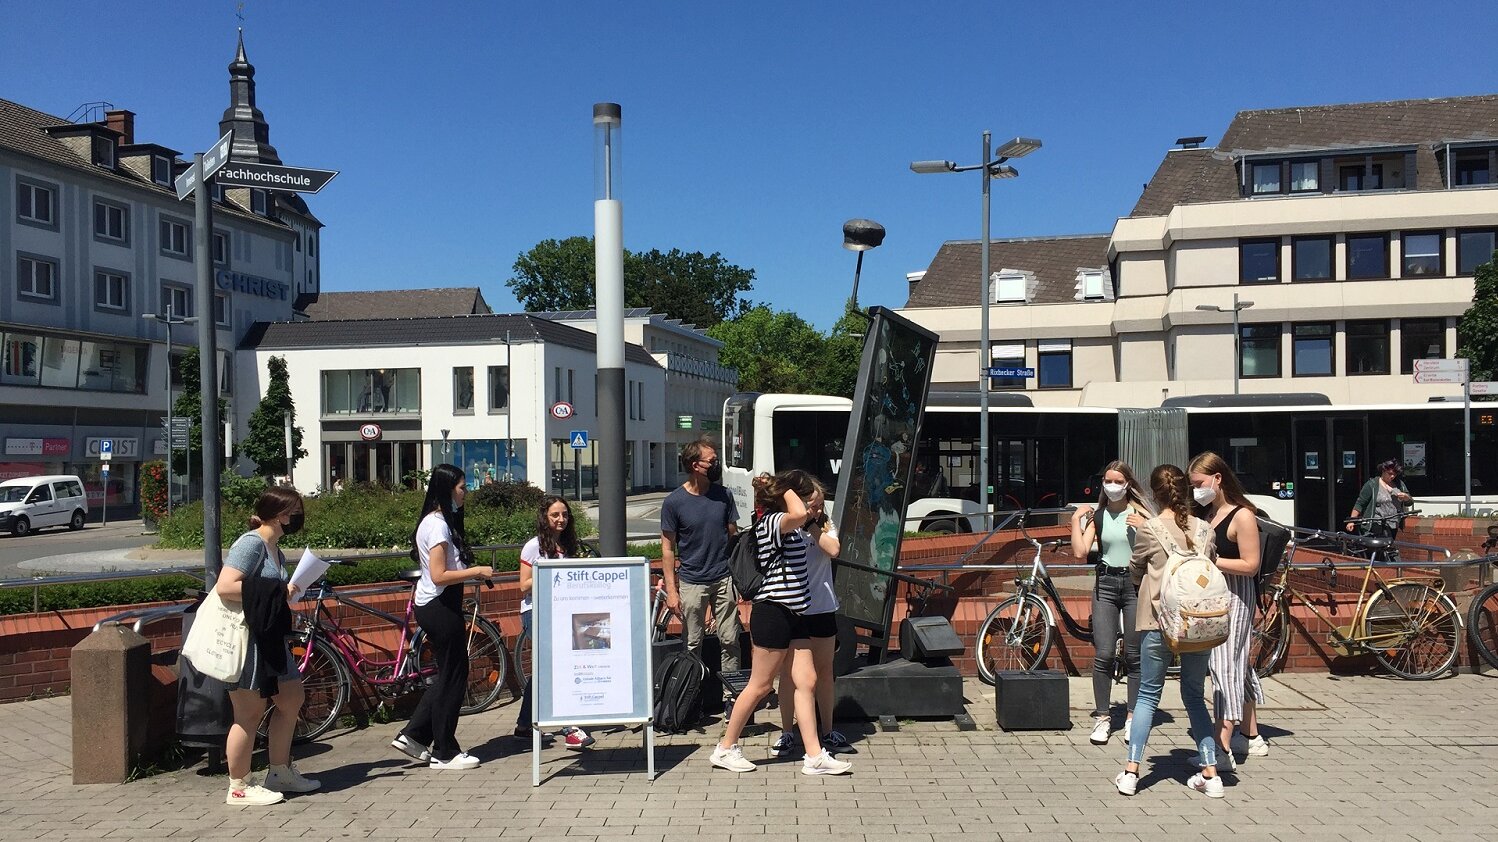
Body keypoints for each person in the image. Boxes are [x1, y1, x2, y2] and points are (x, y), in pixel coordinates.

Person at [709, 470, 851, 776]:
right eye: (807, 500)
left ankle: (814, 755)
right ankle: (725, 747)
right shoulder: (774, 523)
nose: (812, 508)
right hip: (772, 612)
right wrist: (785, 489)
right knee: (760, 686)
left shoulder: (798, 526)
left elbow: (822, 540)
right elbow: (798, 513)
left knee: (807, 680)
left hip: (795, 613)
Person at [1116, 464, 1222, 798]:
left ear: (1153, 492)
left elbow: (1135, 569)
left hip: (1157, 619)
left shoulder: (1149, 529)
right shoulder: (1205, 529)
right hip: (1198, 622)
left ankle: (1132, 772)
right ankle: (1211, 773)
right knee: (1194, 696)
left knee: (1148, 693)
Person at [217, 487, 319, 806]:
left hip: (270, 637)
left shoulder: (273, 548)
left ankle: (279, 772)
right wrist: (278, 590)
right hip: (250, 639)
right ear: (277, 514)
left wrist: (284, 591)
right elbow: (225, 586)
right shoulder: (251, 544)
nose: (293, 519)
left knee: (291, 697)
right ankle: (238, 786)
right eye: (290, 513)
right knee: (249, 711)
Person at [390, 464, 495, 770]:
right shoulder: (437, 525)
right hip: (439, 606)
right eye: (462, 487)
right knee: (454, 676)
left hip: (437, 605)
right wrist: (477, 571)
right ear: (448, 489)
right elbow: (438, 574)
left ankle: (414, 735)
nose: (466, 492)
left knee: (449, 674)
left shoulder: (436, 522)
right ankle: (445, 751)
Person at [1188, 451, 1268, 768]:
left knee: (1224, 667)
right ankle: (1251, 736)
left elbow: (1251, 565)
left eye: (1199, 483)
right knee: (1236, 663)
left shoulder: (1243, 515)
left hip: (1235, 598)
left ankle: (1222, 748)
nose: (1196, 490)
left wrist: (1211, 561)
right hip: (1214, 597)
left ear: (1217, 479)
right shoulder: (1209, 515)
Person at [1069, 460, 1150, 746]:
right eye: (1108, 480)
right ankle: (1103, 717)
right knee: (1103, 653)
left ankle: (1132, 718)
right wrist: (1075, 521)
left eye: (1117, 481)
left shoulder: (1139, 513)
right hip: (1105, 583)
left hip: (1134, 585)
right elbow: (1080, 551)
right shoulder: (1100, 515)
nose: (1112, 486)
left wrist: (1145, 527)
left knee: (1133, 655)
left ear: (1128, 483)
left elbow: (1159, 546)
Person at [770, 484, 854, 758]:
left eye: (819, 504)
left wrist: (813, 525)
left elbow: (834, 549)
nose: (816, 509)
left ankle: (827, 730)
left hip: (822, 607)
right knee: (789, 676)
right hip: (793, 609)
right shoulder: (785, 525)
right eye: (811, 505)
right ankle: (786, 732)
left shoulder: (825, 525)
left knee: (824, 672)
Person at [513, 495, 592, 750]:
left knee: (545, 670)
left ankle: (524, 726)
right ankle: (570, 727)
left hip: (561, 612)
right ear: (544, 518)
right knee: (558, 668)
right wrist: (550, 576)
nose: (561, 520)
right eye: (555, 515)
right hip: (536, 611)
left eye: (565, 515)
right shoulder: (533, 547)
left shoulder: (566, 547)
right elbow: (523, 585)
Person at [660, 439, 741, 674]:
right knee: (692, 643)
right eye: (712, 461)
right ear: (696, 465)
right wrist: (672, 592)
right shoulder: (674, 502)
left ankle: (732, 696)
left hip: (724, 578)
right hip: (692, 581)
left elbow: (732, 534)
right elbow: (667, 548)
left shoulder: (724, 495)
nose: (716, 465)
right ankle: (690, 694)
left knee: (730, 639)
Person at [1348, 459, 1413, 541]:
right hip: (1377, 522)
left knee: (1389, 545)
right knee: (1385, 545)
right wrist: (1352, 521)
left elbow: (1409, 502)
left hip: (1394, 522)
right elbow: (1360, 504)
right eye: (1390, 474)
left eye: (1395, 474)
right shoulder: (1372, 485)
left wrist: (1406, 497)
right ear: (1383, 471)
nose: (1392, 476)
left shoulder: (1399, 484)